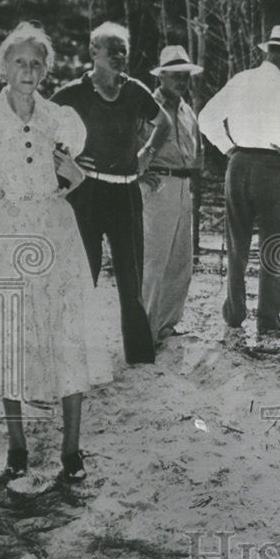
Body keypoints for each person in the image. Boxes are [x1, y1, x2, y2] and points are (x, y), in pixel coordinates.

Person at [0, 22, 96, 486]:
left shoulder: (60, 117)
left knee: (66, 333)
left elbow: (75, 182)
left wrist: (74, 174)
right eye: (20, 62)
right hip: (6, 235)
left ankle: (71, 450)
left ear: (47, 70)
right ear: (3, 67)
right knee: (9, 339)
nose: (28, 70)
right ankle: (17, 447)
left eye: (37, 63)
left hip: (56, 234)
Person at [51, 22, 169, 364]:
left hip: (125, 194)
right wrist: (64, 160)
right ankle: (71, 355)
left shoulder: (135, 91)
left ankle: (140, 357)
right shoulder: (73, 92)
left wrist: (146, 155)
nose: (119, 56)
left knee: (131, 280)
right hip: (85, 193)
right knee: (82, 274)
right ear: (93, 52)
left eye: (123, 50)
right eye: (111, 49)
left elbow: (164, 123)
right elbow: (41, 125)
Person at [198, 24, 280, 337]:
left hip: (240, 162)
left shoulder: (241, 80)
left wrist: (229, 147)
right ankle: (268, 318)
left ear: (268, 52)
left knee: (236, 242)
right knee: (271, 243)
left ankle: (234, 313)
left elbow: (206, 118)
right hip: (270, 166)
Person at [139, 45, 204, 347]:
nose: (181, 80)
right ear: (161, 75)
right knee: (154, 260)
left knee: (180, 261)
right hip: (158, 184)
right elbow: (127, 142)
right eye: (174, 75)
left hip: (183, 186)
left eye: (185, 75)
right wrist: (137, 172)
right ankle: (143, 330)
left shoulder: (187, 110)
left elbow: (195, 151)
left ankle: (165, 324)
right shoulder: (147, 106)